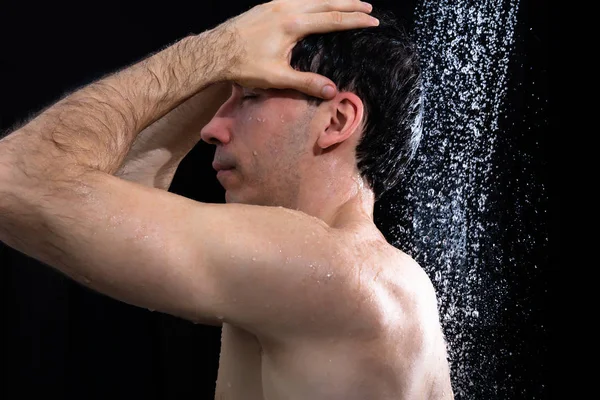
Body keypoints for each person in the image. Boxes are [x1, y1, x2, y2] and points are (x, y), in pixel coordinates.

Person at [0, 0, 454, 399]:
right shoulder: (329, 275)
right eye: (227, 96)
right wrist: (229, 64)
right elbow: (105, 202)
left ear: (336, 120)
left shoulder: (328, 271)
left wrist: (217, 49)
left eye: (251, 96)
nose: (211, 129)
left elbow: (17, 181)